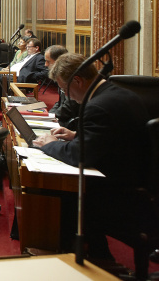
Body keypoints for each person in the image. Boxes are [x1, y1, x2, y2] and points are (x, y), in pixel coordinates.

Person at [32, 53, 153, 262]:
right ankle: (98, 253)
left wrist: (50, 144)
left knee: (58, 189)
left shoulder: (97, 105)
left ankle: (63, 256)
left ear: (77, 81)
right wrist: (78, 135)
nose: (66, 95)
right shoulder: (119, 93)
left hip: (120, 194)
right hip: (139, 179)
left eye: (63, 88)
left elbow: (80, 156)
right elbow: (117, 137)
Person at [43, 45, 78, 129]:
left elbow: (71, 105)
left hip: (69, 123)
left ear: (58, 61)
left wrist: (53, 116)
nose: (45, 64)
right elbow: (59, 102)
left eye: (48, 61)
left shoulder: (70, 77)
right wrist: (50, 115)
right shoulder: (60, 76)